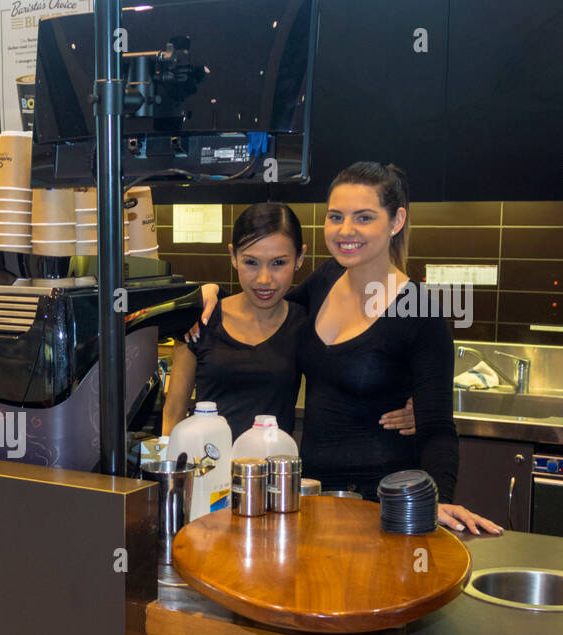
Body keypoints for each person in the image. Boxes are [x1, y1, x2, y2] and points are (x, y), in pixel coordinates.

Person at [192, 162, 501, 534]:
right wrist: (211, 294)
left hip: (382, 503)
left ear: (396, 221)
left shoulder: (420, 311)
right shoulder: (325, 279)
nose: (346, 230)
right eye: (336, 217)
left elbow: (437, 428)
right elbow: (268, 303)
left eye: (364, 217)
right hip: (308, 497)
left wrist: (440, 499)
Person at [160, 201, 415, 440]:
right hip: (206, 474)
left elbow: (357, 373)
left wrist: (414, 402)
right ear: (233, 256)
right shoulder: (201, 319)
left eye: (278, 263)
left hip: (274, 479)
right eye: (251, 262)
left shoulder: (307, 324)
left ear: (299, 259)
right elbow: (173, 413)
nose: (264, 279)